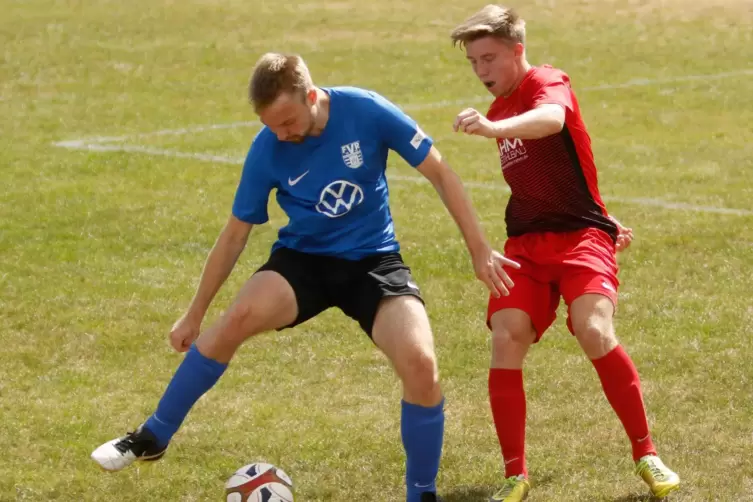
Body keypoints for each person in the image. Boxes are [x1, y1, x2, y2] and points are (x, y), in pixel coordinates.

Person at [90, 52, 519, 502]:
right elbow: (235, 235)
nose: (282, 134)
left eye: (288, 121)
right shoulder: (268, 147)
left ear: (312, 96)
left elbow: (441, 173)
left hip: (373, 261)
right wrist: (194, 313)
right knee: (233, 321)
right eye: (271, 126)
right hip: (304, 260)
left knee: (422, 364)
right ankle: (151, 436)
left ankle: (421, 494)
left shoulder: (366, 110)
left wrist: (478, 249)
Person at [448, 5, 681, 501]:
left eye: (489, 58)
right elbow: (554, 177)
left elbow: (553, 122)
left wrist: (598, 215)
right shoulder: (498, 110)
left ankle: (647, 454)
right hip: (528, 245)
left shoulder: (547, 83)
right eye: (473, 63)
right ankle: (515, 475)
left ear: (517, 49)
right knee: (506, 335)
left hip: (580, 238)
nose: (482, 71)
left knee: (594, 329)